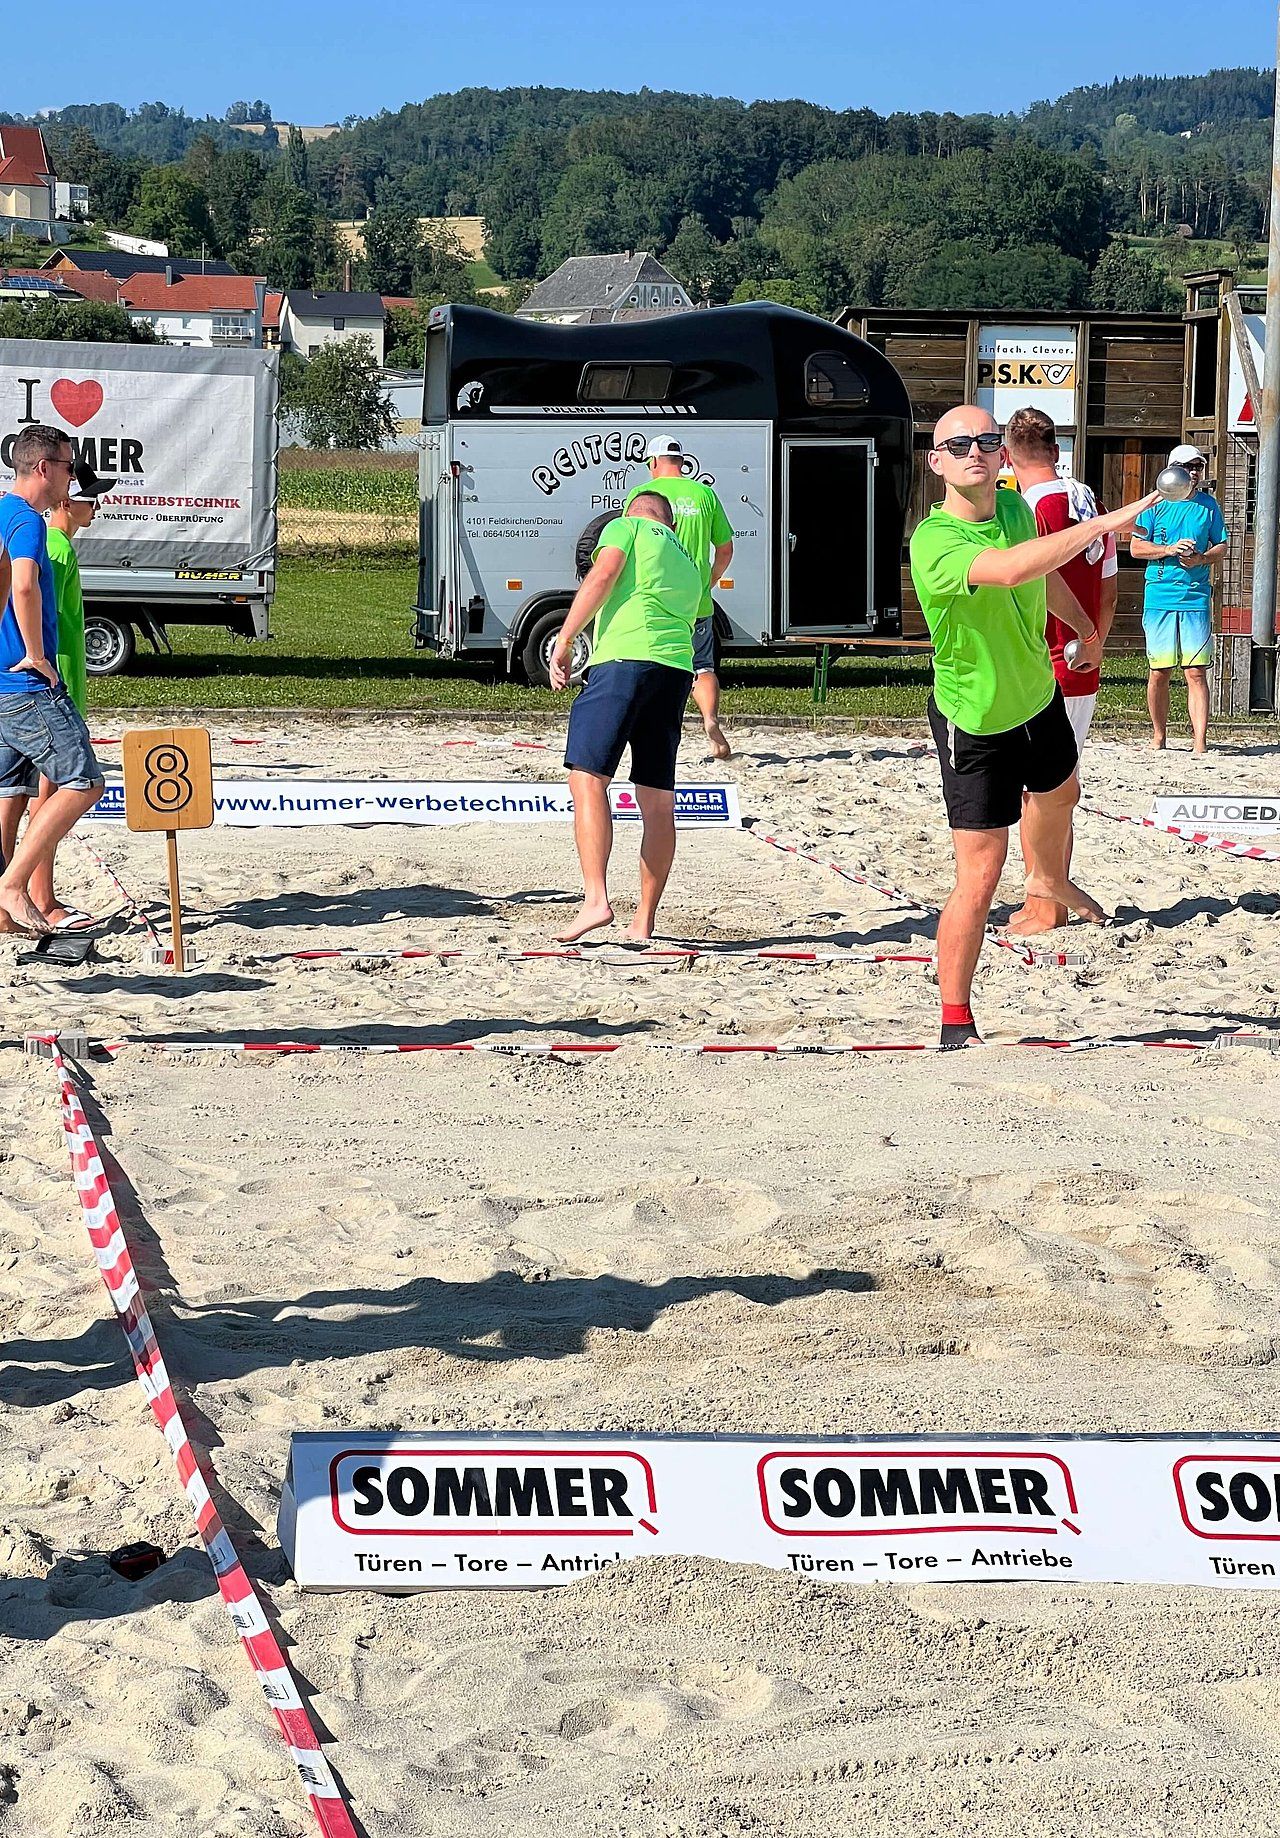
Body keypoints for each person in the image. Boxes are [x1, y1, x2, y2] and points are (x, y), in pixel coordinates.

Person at [909, 405, 1156, 1048]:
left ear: (1003, 455)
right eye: (958, 444)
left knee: (1063, 790)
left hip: (1036, 695)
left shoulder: (1016, 510)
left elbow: (1041, 577)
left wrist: (1086, 629)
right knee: (981, 870)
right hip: (977, 715)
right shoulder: (935, 539)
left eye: (987, 442)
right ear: (936, 462)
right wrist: (1106, 522)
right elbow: (1013, 570)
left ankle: (1046, 878)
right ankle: (955, 1016)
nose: (976, 451)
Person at [549, 493, 702, 944]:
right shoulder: (689, 565)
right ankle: (644, 921)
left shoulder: (628, 527)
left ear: (637, 510)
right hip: (675, 671)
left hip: (623, 661)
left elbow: (604, 574)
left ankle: (596, 899)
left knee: (588, 778)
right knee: (657, 800)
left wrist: (566, 638)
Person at [1004, 406, 1119, 932]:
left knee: (1044, 791)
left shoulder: (1030, 509)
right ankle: (1048, 894)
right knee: (1057, 785)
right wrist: (1097, 638)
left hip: (1049, 657)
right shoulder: (1088, 500)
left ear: (1006, 455)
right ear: (1055, 450)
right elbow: (1111, 583)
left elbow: (1035, 582)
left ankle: (1044, 902)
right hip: (1081, 657)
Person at [0, 426, 105, 936]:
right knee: (84, 781)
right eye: (67, 466)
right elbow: (23, 584)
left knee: (9, 789)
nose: (71, 477)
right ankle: (14, 885)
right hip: (24, 684)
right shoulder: (30, 522)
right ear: (43, 468)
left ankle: (2, 912)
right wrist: (37, 655)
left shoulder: (0, 510)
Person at [624, 436, 734, 760]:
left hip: (655, 598)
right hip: (695, 599)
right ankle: (711, 720)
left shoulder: (642, 497)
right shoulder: (704, 495)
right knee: (702, 666)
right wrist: (709, 581)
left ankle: (649, 729)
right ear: (682, 463)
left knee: (652, 663)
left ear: (654, 462)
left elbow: (630, 545)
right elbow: (725, 549)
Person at [1130, 442, 1228, 755]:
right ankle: (1159, 736)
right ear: (1173, 470)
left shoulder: (1208, 505)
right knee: (1159, 671)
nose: (1194, 472)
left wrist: (1201, 559)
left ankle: (1199, 742)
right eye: (1188, 467)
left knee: (1196, 671)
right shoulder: (1154, 505)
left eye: (1198, 466)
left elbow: (1221, 545)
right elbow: (1136, 548)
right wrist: (1169, 550)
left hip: (1195, 597)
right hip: (1159, 596)